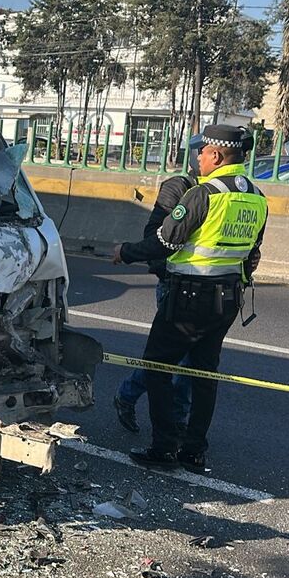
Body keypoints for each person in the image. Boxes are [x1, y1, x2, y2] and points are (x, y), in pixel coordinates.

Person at [111, 124, 267, 473]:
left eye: (202, 151)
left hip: (188, 297)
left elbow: (163, 242)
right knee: (205, 374)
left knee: (157, 367)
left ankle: (164, 447)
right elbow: (252, 252)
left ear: (215, 155)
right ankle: (194, 450)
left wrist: (125, 253)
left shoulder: (206, 194)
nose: (198, 157)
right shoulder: (256, 196)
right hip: (227, 298)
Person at [112, 136, 201, 434]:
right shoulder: (179, 187)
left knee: (187, 358)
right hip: (174, 283)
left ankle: (169, 415)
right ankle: (166, 416)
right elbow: (155, 233)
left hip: (203, 287)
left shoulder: (222, 191)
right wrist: (131, 254)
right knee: (176, 356)